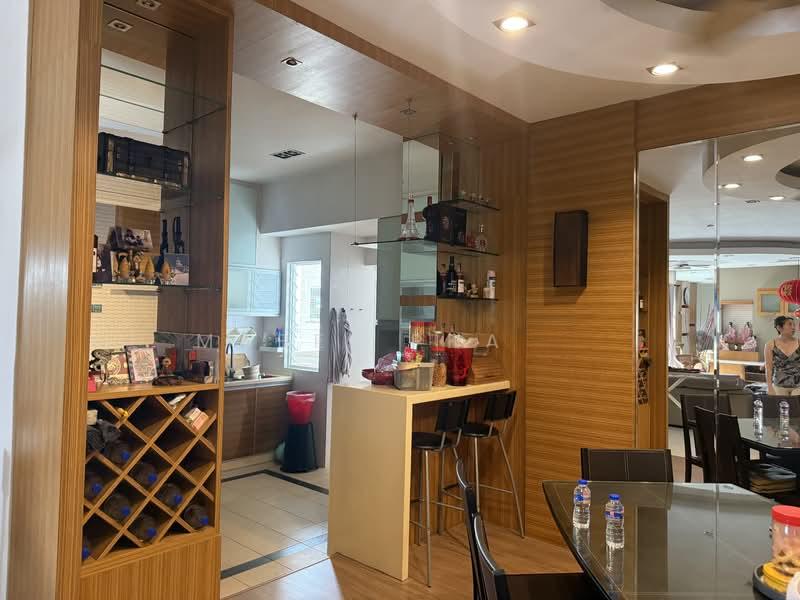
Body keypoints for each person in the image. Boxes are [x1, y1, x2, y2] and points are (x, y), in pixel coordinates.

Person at [765, 316, 800, 395]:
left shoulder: (799, 343)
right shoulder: (770, 345)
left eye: (794, 325)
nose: (793, 327)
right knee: (780, 403)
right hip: (779, 385)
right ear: (779, 328)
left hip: (798, 385)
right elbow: (768, 368)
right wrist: (769, 387)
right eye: (790, 324)